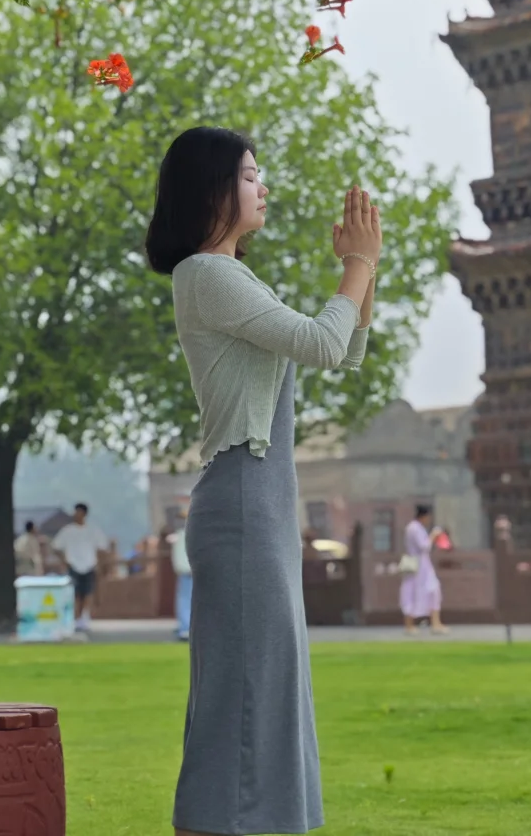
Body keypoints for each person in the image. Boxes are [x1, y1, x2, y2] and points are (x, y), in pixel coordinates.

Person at [145, 126, 379, 836]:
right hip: (244, 500)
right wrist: (356, 267)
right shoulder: (207, 274)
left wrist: (366, 267)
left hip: (261, 501)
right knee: (249, 690)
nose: (263, 186)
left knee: (265, 686)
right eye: (250, 176)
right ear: (214, 190)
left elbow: (347, 347)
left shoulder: (231, 277)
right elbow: (322, 342)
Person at [52, 503, 107, 634]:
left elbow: (102, 547)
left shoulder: (93, 531)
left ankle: (84, 618)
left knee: (88, 593)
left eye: (79, 512)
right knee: (75, 593)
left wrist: (100, 563)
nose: (76, 515)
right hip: (73, 565)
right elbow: (56, 547)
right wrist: (64, 560)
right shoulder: (67, 531)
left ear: (84, 514)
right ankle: (75, 618)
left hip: (89, 565)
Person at [400, 504, 449, 635]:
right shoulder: (415, 528)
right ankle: (411, 625)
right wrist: (433, 536)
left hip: (421, 565)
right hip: (419, 566)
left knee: (432, 591)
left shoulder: (413, 528)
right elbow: (424, 546)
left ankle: (435, 623)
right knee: (413, 592)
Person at [170, 507, 193, 642]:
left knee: (186, 600)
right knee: (184, 599)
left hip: (189, 571)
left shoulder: (187, 535)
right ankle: (184, 627)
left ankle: (186, 627)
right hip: (184, 572)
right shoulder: (180, 535)